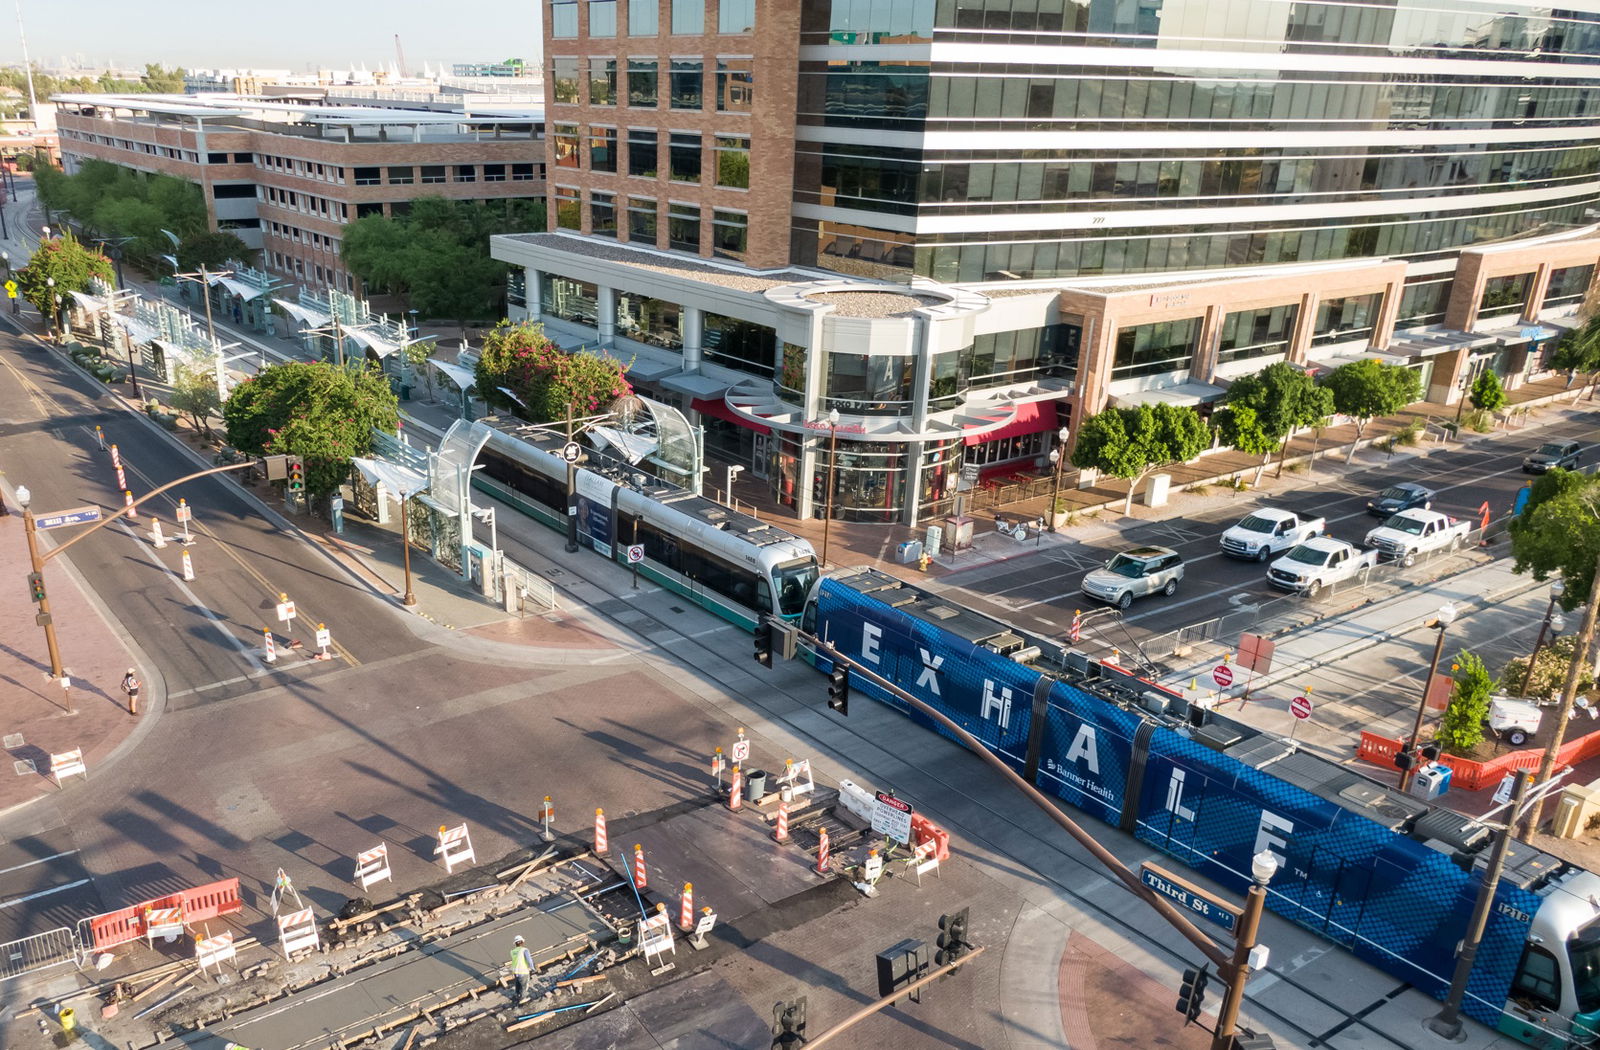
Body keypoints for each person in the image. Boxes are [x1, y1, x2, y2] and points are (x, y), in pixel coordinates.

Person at [507, 934, 533, 1005]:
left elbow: (515, 960)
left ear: (515, 943)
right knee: (524, 985)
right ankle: (523, 998)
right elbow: (529, 960)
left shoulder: (512, 951)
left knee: (518, 984)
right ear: (522, 942)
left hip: (515, 971)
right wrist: (532, 967)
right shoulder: (524, 950)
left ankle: (517, 995)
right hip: (523, 971)